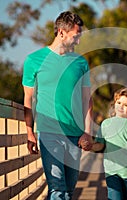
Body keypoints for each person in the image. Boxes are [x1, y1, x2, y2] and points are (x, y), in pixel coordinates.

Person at [22, 11, 93, 200]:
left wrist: (87, 132)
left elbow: (87, 100)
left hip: (75, 135)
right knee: (57, 188)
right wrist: (30, 132)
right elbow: (28, 99)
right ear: (61, 33)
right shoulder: (34, 60)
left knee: (69, 190)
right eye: (76, 35)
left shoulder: (80, 63)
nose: (78, 41)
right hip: (48, 132)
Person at [92, 88, 127, 200]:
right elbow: (100, 145)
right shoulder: (105, 124)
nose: (121, 107)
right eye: (119, 103)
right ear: (114, 103)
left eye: (126, 105)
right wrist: (90, 146)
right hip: (112, 171)